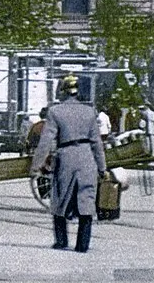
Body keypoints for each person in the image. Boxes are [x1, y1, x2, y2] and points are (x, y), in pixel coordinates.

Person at [31, 74, 106, 252]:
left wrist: (35, 166)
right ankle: (82, 244)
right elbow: (97, 143)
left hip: (66, 157)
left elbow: (46, 141)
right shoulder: (89, 112)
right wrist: (102, 167)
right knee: (86, 200)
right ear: (77, 91)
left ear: (63, 91)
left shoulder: (55, 112)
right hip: (87, 157)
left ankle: (62, 241)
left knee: (60, 199)